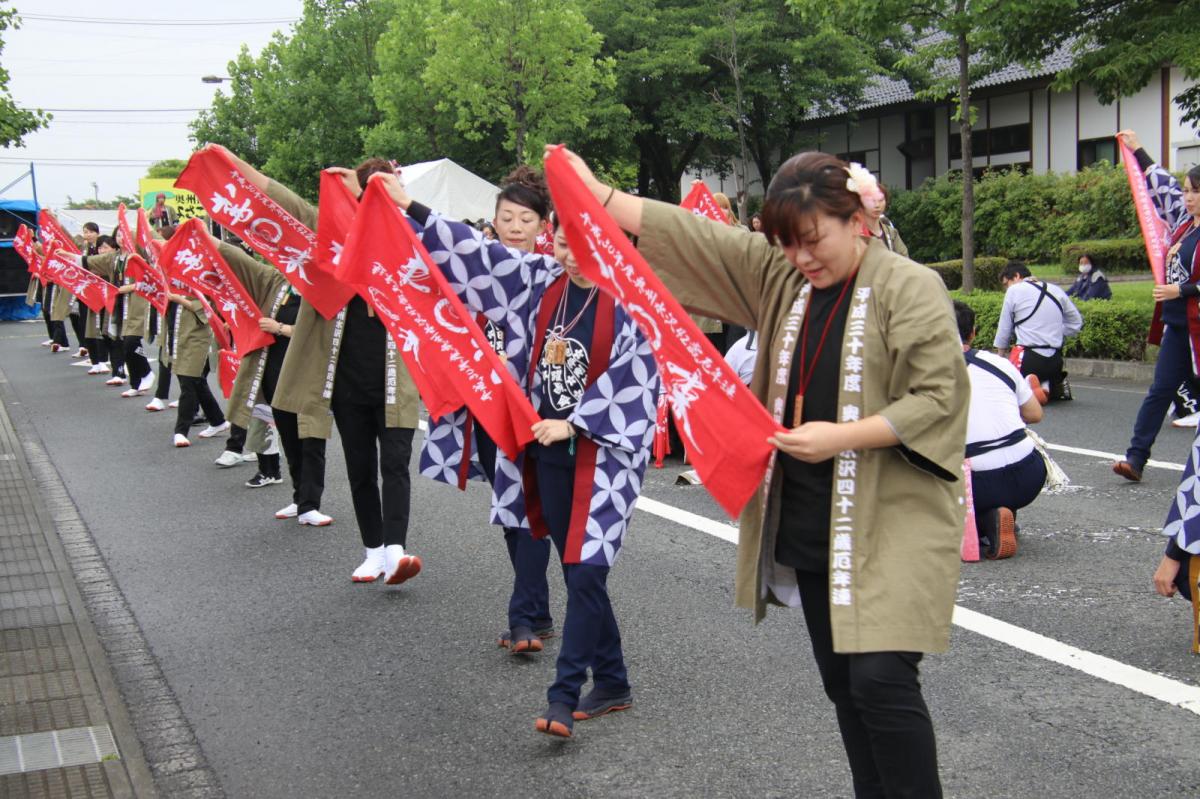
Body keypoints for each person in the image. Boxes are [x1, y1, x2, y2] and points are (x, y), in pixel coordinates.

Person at [552, 145, 968, 795]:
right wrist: (597, 193)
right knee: (842, 683)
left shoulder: (909, 286)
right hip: (809, 510)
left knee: (881, 678)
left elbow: (939, 396)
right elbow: (700, 241)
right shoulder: (784, 280)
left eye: (812, 239)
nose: (802, 256)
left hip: (893, 514)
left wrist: (843, 436)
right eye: (788, 243)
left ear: (857, 215)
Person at [374, 171, 658, 739]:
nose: (573, 259)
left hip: (603, 457)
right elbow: (477, 256)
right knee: (579, 571)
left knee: (586, 572)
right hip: (545, 452)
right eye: (564, 246)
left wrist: (575, 422)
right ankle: (615, 679)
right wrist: (413, 207)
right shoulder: (539, 283)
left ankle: (562, 695)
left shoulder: (632, 303)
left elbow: (639, 381)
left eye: (587, 249)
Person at [205, 145, 422, 579]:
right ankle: (373, 550)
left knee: (394, 464)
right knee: (360, 467)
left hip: (397, 379)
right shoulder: (328, 242)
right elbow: (279, 200)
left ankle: (397, 550)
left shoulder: (414, 243)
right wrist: (232, 162)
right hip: (343, 378)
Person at [419, 167, 558, 650]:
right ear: (493, 221)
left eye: (526, 218)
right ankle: (535, 612)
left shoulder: (549, 273)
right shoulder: (473, 268)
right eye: (507, 217)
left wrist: (513, 362)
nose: (516, 227)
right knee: (508, 506)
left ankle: (523, 619)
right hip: (483, 404)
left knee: (526, 508)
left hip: (532, 407)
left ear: (544, 225)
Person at [213, 232, 328, 521]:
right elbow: (240, 261)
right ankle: (299, 497)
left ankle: (311, 504)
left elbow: (326, 333)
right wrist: (206, 237)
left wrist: (281, 328)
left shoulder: (324, 286)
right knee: (289, 436)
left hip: (309, 374)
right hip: (276, 373)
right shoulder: (278, 282)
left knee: (311, 439)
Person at [1112, 129, 1200, 482]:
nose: (1187, 197)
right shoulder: (1182, 223)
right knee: (1160, 389)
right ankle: (1135, 458)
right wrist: (1137, 150)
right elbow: (1160, 185)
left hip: (1197, 326)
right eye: (1187, 190)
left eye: (1195, 191)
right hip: (1179, 327)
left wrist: (1184, 290)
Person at [956, 300, 1046, 560]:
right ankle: (1003, 510)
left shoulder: (925, 370)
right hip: (1029, 473)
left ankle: (987, 519)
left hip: (976, 482)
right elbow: (1034, 414)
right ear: (973, 332)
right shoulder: (999, 363)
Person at [993, 260, 1083, 401]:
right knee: (1046, 373)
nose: (1006, 288)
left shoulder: (1014, 290)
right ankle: (1047, 384)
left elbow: (1004, 328)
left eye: (1006, 283)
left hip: (1028, 360)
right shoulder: (1056, 290)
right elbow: (1076, 323)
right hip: (1055, 361)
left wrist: (1000, 357)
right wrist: (1054, 333)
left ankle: (1029, 387)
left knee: (1008, 387)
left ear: (1016, 276)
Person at [163, 283, 228, 448]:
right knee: (196, 381)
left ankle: (181, 431)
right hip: (177, 333)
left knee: (188, 381)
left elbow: (206, 308)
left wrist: (178, 298)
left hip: (197, 337)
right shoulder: (172, 276)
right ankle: (217, 420)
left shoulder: (199, 274)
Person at [862, 181, 907, 257]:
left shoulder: (892, 233)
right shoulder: (857, 233)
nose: (877, 205)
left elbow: (905, 259)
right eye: (872, 201)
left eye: (881, 200)